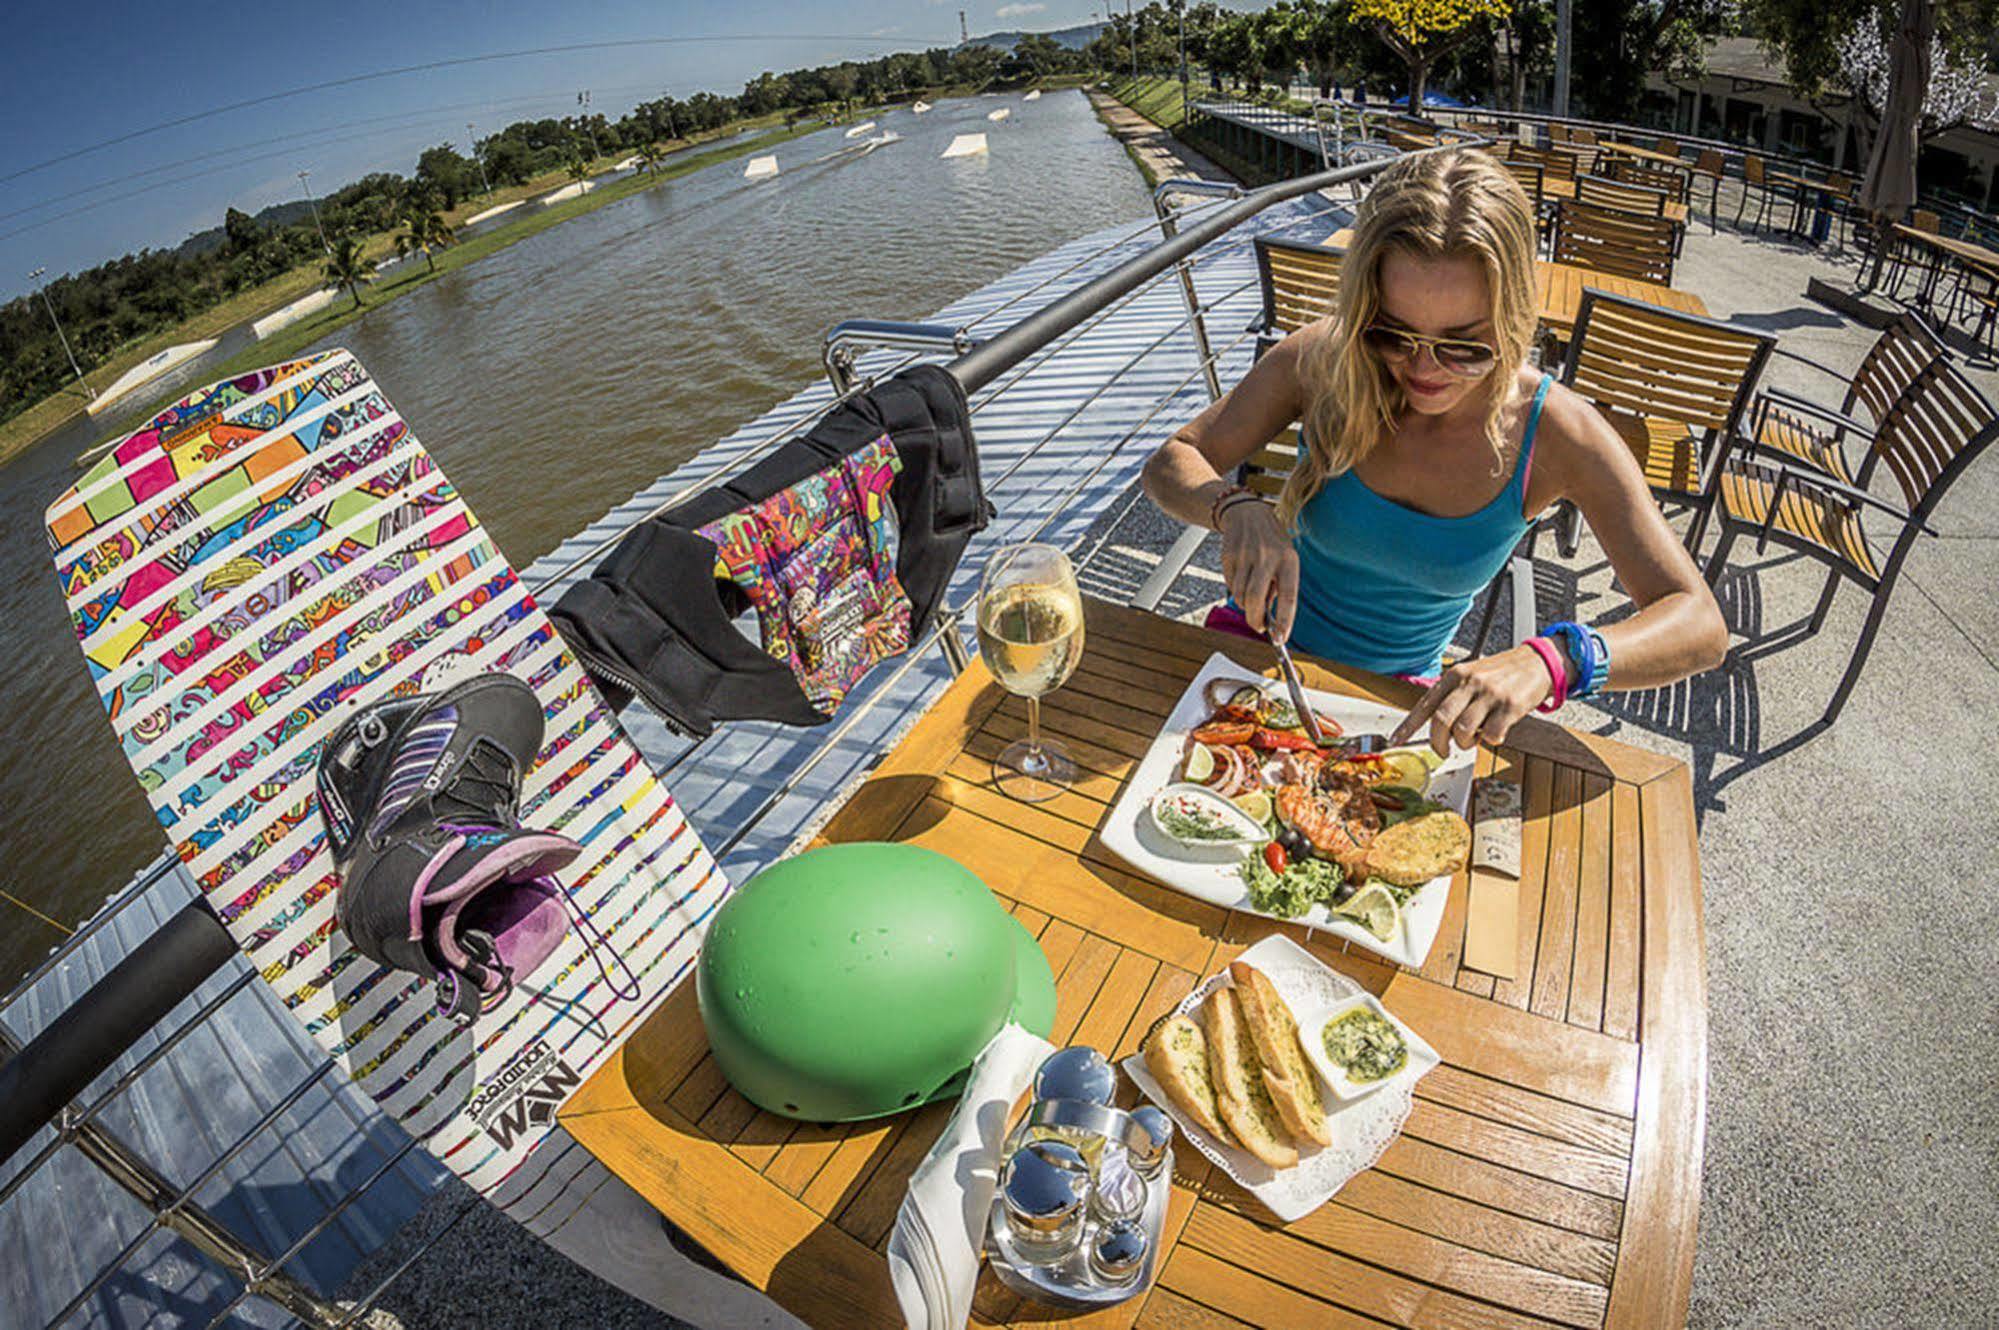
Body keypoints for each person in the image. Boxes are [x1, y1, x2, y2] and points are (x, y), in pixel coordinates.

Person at [1140, 149, 1728, 757]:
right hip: (1253, 660)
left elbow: (1700, 625)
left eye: (1464, 346)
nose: (1422, 370)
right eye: (1391, 333)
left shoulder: (1555, 432)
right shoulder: (1322, 359)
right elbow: (1171, 459)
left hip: (1392, 707)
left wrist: (1557, 659)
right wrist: (1233, 506)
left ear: (1515, 317)